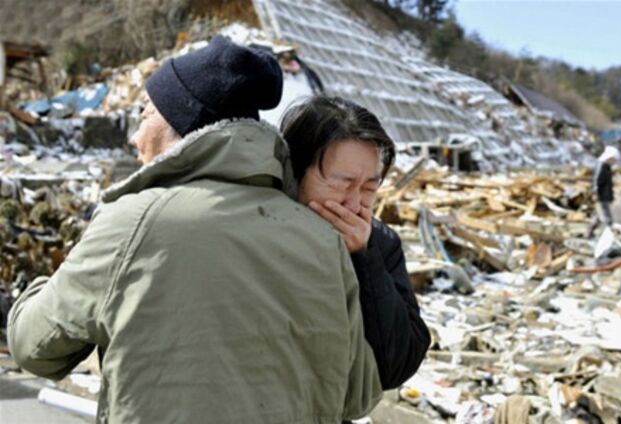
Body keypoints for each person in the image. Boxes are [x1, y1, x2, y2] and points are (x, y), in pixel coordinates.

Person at [8, 36, 381, 423]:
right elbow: (358, 395)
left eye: (145, 114)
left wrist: (44, 286)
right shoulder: (321, 240)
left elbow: (34, 347)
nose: (135, 137)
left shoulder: (132, 222)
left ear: (178, 124)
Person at [281, 96, 430, 391]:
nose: (353, 204)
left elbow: (396, 366)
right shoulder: (256, 233)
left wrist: (364, 261)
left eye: (368, 188)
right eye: (341, 183)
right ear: (294, 173)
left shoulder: (379, 244)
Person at [588, 145, 621, 236]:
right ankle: (608, 230)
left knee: (600, 212)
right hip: (601, 194)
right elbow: (596, 180)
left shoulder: (606, 166)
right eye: (613, 159)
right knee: (604, 213)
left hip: (604, 193)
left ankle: (591, 231)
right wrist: (595, 193)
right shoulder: (601, 165)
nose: (614, 162)